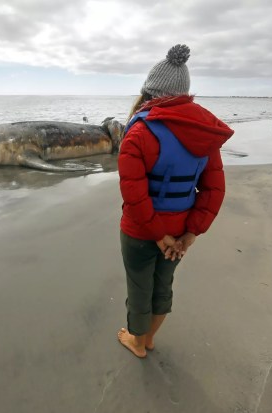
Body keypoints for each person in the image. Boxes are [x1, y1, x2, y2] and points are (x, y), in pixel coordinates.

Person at [117, 44, 234, 358]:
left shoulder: (139, 132)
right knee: (163, 285)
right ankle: (150, 338)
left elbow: (134, 194)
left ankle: (137, 342)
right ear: (185, 92)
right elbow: (214, 189)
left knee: (140, 288)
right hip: (181, 231)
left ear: (148, 91)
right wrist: (191, 233)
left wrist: (158, 235)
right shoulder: (204, 132)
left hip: (142, 231)